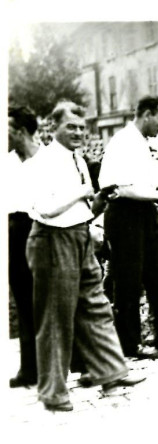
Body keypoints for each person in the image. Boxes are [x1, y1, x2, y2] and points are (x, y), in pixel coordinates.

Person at [26, 101, 144, 412]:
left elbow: (83, 206)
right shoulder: (43, 161)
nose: (79, 132)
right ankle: (53, 392)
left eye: (81, 127)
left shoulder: (76, 158)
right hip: (52, 240)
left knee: (96, 307)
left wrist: (100, 201)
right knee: (55, 317)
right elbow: (45, 208)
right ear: (54, 128)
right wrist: (82, 191)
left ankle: (111, 372)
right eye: (71, 127)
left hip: (79, 235)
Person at [99, 95, 158, 358]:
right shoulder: (123, 142)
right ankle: (130, 344)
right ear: (147, 114)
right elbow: (123, 189)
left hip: (144, 212)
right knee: (128, 279)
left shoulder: (143, 143)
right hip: (124, 216)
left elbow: (145, 182)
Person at [7, 105, 40, 388]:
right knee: (22, 301)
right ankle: (30, 368)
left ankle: (64, 363)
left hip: (39, 229)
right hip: (14, 232)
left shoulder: (44, 161)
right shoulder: (7, 163)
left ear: (20, 131)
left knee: (45, 300)